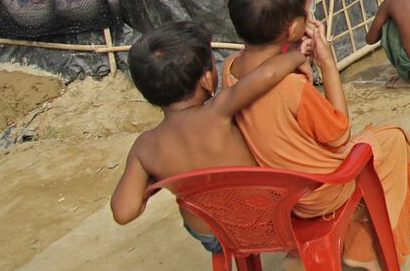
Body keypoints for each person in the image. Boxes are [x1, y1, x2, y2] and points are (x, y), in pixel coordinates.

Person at [223, 0, 410, 271]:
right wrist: (328, 63)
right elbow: (338, 135)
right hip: (317, 192)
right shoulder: (290, 88)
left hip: (273, 189)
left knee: (369, 144)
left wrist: (293, 58)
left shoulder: (230, 69)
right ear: (293, 28)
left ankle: (306, 256)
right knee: (392, 139)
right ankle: (364, 248)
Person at [110, 20, 311, 255]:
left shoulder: (144, 147)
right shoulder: (219, 110)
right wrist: (298, 56)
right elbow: (268, 73)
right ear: (206, 79)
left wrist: (152, 184)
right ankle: (297, 255)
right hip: (269, 223)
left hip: (215, 238)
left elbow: (124, 212)